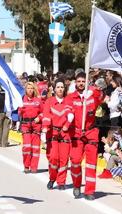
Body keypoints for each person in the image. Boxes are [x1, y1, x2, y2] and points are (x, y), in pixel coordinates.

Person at [66, 72, 105, 200]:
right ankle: (77, 185)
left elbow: (101, 95)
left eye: (83, 81)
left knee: (91, 164)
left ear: (86, 82)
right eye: (79, 81)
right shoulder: (71, 97)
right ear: (75, 83)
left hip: (91, 133)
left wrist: (95, 89)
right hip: (76, 133)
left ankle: (89, 191)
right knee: (75, 162)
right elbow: (67, 110)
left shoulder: (92, 96)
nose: (81, 83)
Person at [42, 78, 74, 190]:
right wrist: (45, 127)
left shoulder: (68, 101)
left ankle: (61, 182)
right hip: (52, 133)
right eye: (58, 87)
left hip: (65, 133)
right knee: (53, 158)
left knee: (64, 159)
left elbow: (70, 114)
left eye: (62, 87)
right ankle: (52, 178)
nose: (60, 89)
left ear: (64, 89)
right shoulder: (49, 101)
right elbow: (46, 115)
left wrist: (67, 123)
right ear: (54, 89)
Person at [18, 82, 43, 173]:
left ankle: (34, 167)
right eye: (28, 88)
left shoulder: (38, 100)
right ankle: (26, 166)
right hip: (25, 125)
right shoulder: (22, 100)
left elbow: (43, 112)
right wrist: (20, 110)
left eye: (32, 88)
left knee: (35, 147)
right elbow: (19, 112)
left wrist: (39, 118)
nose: (30, 90)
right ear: (25, 89)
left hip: (36, 125)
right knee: (27, 146)